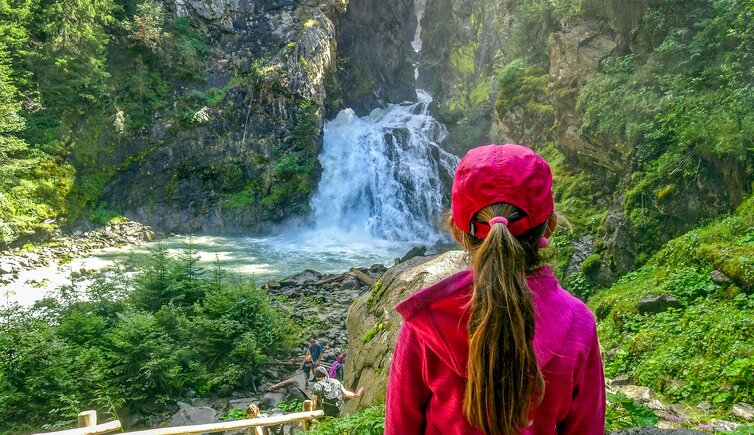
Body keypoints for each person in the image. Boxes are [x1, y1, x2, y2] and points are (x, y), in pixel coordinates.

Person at [385, 144, 605, 435]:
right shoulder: (579, 323)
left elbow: (400, 428)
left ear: (456, 231)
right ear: (550, 226)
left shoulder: (427, 324)